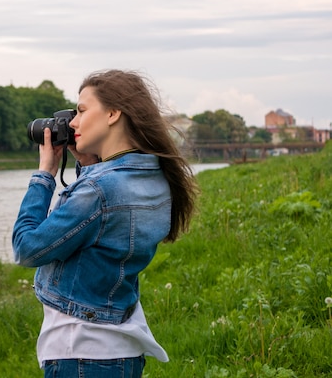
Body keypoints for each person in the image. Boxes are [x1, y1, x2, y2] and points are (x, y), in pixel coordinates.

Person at [12, 69, 198, 377]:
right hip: (123, 350)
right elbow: (104, 232)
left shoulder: (99, 190)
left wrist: (45, 173)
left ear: (113, 113)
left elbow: (27, 249)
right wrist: (87, 164)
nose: (72, 122)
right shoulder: (154, 176)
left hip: (81, 352)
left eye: (82, 110)